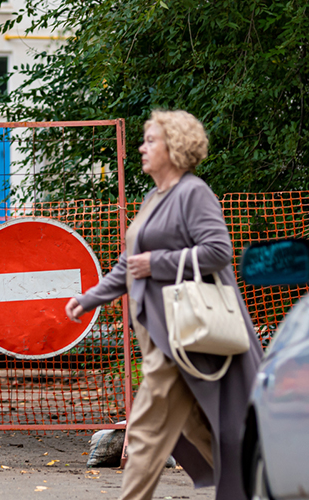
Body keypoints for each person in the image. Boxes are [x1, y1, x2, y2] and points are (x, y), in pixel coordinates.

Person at [65, 110, 263, 500]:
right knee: (201, 430)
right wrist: (90, 299)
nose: (142, 146)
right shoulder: (155, 197)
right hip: (163, 337)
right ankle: (260, 483)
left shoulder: (193, 192)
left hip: (183, 338)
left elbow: (219, 251)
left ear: (174, 147)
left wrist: (159, 264)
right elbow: (128, 264)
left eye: (151, 139)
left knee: (143, 437)